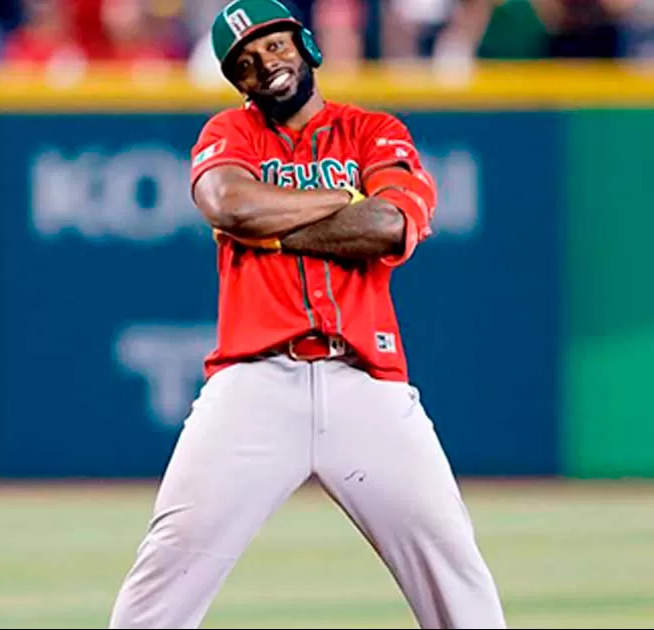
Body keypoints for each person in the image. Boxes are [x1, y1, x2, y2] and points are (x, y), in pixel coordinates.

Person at [107, 1, 507, 627]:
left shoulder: (372, 130)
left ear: (305, 43)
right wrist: (343, 198)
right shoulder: (227, 134)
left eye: (272, 45)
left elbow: (389, 222)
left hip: (366, 385)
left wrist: (273, 229)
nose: (264, 65)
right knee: (164, 577)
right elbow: (230, 205)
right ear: (236, 82)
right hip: (253, 384)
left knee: (456, 574)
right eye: (244, 62)